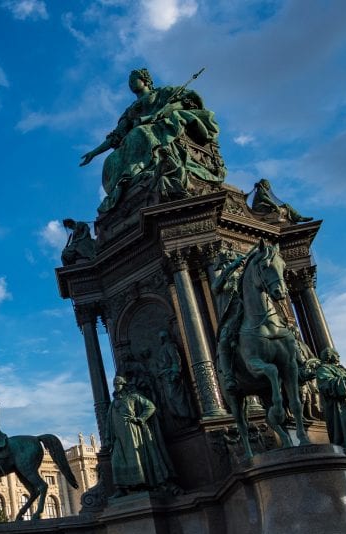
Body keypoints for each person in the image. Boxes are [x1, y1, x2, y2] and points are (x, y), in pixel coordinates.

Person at [80, 68, 222, 213]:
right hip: (134, 140)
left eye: (133, 79)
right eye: (128, 82)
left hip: (155, 129)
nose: (130, 83)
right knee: (111, 160)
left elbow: (188, 100)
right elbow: (116, 136)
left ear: (145, 80)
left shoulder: (162, 93)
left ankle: (151, 165)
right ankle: (130, 182)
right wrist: (94, 153)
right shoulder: (130, 111)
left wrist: (168, 109)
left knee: (139, 132)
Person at [104, 375, 175, 496]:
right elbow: (109, 423)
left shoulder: (133, 397)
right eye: (115, 384)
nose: (116, 386)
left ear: (124, 385)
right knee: (116, 460)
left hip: (132, 432)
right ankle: (121, 487)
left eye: (118, 384)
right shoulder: (113, 404)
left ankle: (141, 484)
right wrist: (108, 438)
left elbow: (150, 406)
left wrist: (141, 418)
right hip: (118, 437)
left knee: (135, 458)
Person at [210, 248, 248, 390]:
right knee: (224, 341)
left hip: (248, 312)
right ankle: (229, 376)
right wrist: (231, 268)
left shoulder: (242, 276)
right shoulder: (222, 280)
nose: (227, 266)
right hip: (232, 317)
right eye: (225, 264)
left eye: (230, 262)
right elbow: (215, 288)